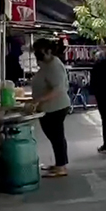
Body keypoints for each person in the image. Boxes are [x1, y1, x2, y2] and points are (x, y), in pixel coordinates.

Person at [29, 39, 72, 177]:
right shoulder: (48, 64)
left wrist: (39, 100)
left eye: (39, 53)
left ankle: (61, 167)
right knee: (54, 136)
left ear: (48, 51)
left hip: (56, 107)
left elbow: (58, 89)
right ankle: (59, 164)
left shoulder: (54, 65)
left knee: (57, 136)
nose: (37, 56)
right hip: (49, 107)